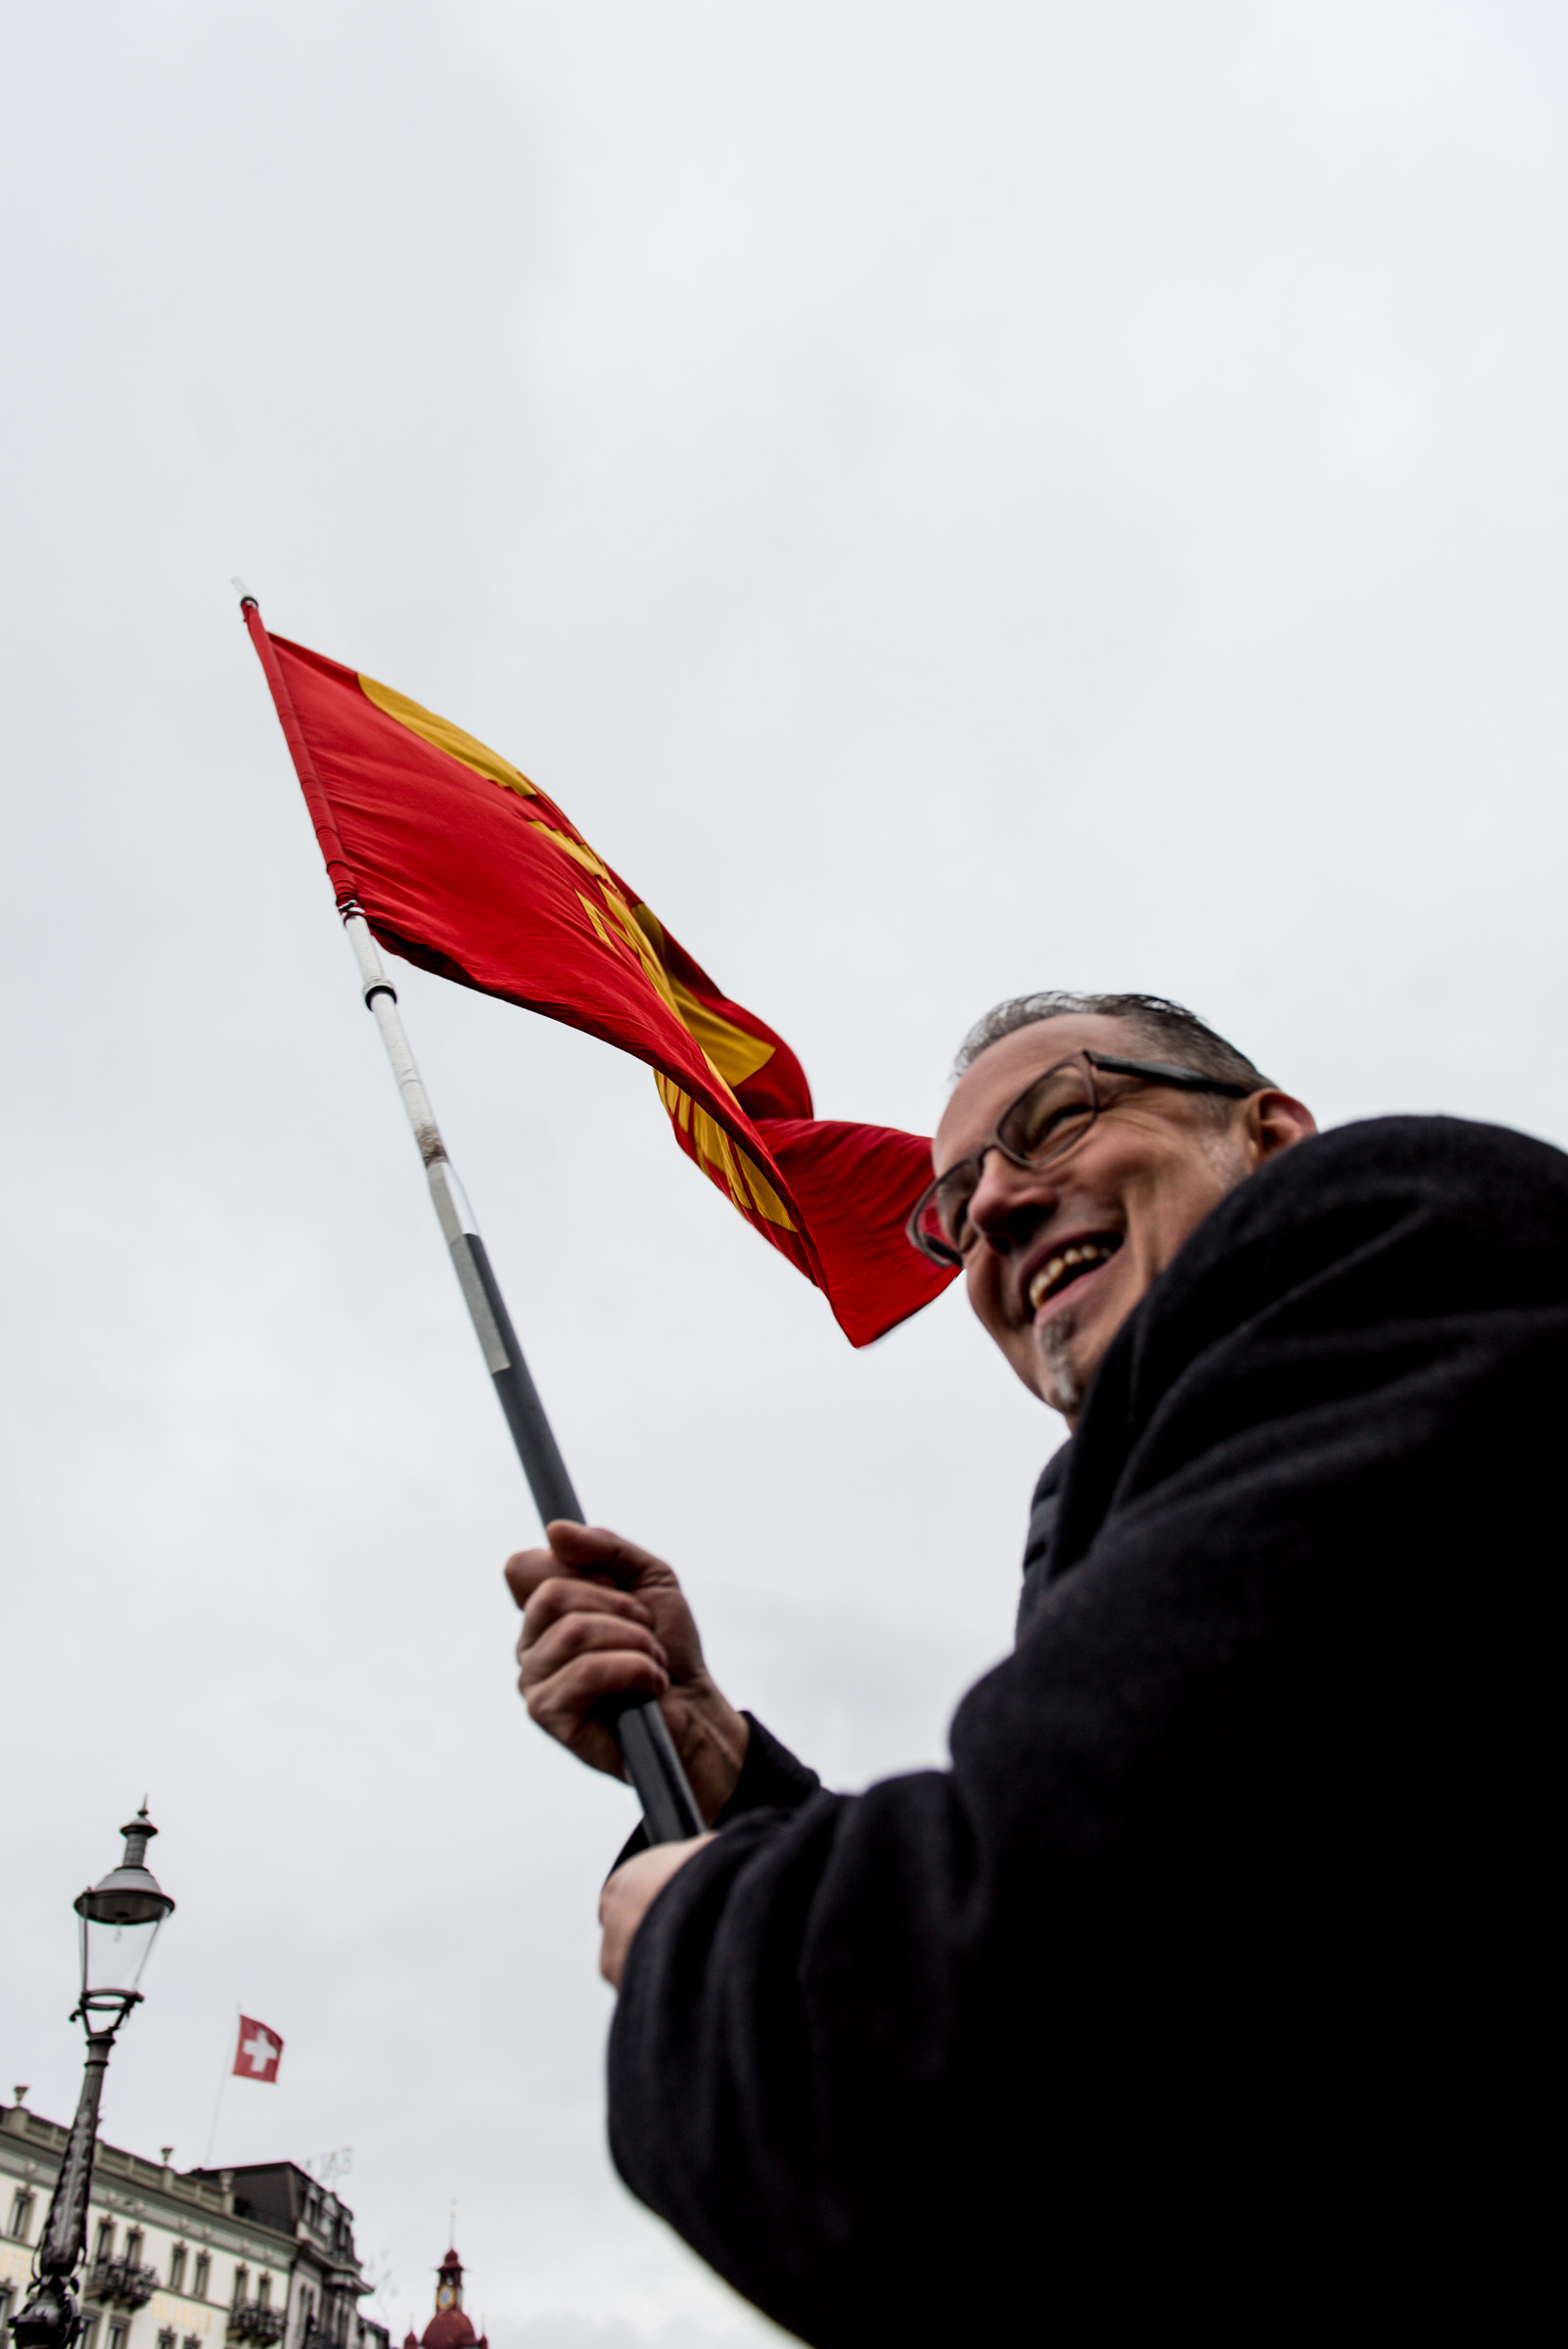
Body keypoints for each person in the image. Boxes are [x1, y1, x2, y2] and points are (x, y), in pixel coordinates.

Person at [505, 992, 1564, 2339]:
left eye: (1057, 1118)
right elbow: (1209, 2005)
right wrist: (719, 1763)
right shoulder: (1143, 1508)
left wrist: (697, 1944)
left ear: (1271, 1134)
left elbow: (1024, 2024)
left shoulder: (1392, 1228)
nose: (994, 1208)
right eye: (953, 1204)